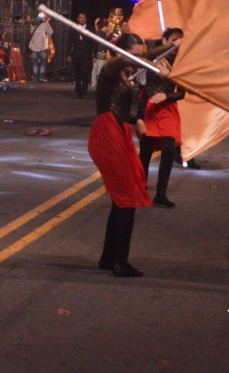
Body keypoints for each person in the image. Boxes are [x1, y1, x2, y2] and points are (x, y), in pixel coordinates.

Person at [90, 33, 153, 277]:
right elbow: (110, 111)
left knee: (122, 199)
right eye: (135, 55)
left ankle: (108, 258)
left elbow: (121, 110)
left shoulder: (125, 75)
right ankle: (120, 262)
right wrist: (169, 46)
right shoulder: (110, 68)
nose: (138, 60)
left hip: (119, 132)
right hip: (107, 134)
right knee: (126, 198)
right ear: (121, 53)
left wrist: (136, 119)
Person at [138, 28, 185, 209]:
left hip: (167, 109)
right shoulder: (154, 59)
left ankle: (161, 193)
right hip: (149, 107)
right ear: (165, 40)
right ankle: (141, 190)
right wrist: (168, 46)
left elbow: (182, 93)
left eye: (180, 41)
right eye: (173, 40)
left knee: (168, 149)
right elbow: (148, 54)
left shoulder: (180, 64)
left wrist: (167, 95)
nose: (177, 44)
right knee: (146, 152)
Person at [67, 12, 95, 99]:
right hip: (76, 54)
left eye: (84, 18)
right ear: (78, 19)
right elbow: (69, 42)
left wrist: (94, 55)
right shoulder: (73, 28)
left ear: (86, 19)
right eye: (80, 17)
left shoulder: (90, 29)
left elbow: (94, 42)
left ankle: (84, 88)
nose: (82, 19)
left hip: (87, 54)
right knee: (77, 72)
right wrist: (68, 54)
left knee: (85, 72)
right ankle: (78, 89)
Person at [27, 12, 54, 82]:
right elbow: (51, 32)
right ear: (44, 18)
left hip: (33, 46)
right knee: (43, 62)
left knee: (35, 63)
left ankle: (35, 78)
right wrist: (47, 22)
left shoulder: (32, 24)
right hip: (42, 47)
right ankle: (41, 77)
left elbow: (31, 32)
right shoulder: (45, 24)